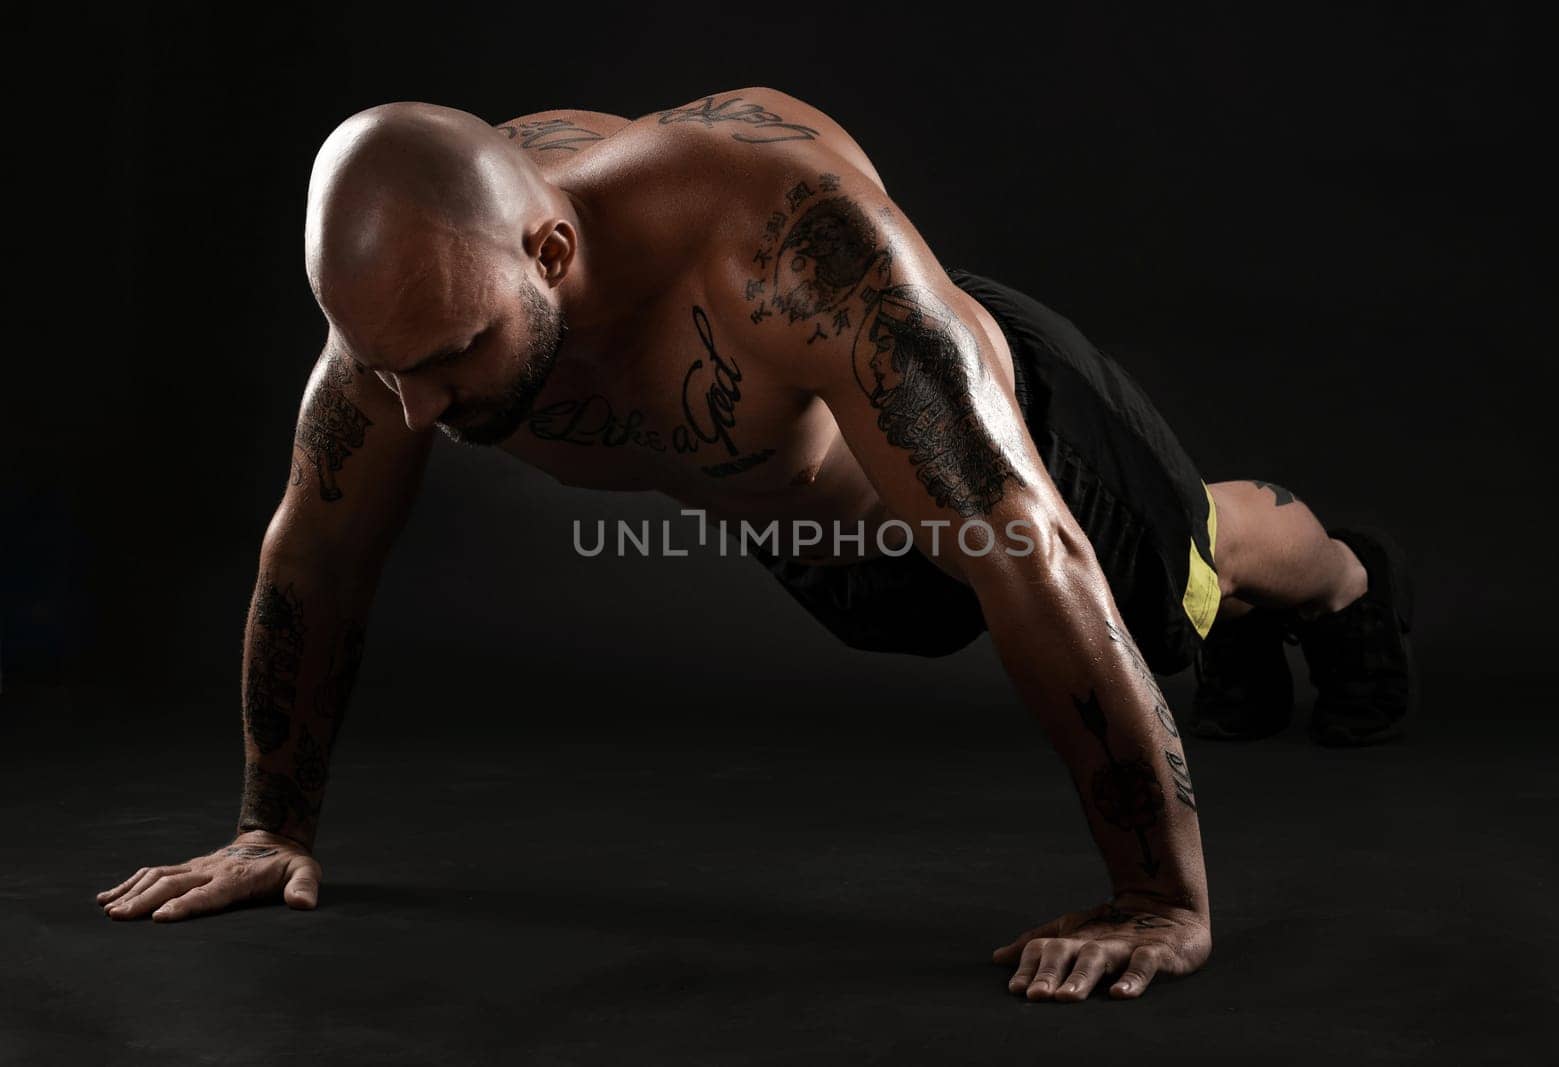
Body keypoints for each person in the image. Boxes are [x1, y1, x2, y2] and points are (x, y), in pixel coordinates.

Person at [94, 88, 1415, 1003]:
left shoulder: (779, 251)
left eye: (450, 365)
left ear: (550, 250)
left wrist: (1156, 901)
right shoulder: (413, 302)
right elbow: (315, 559)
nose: (416, 414)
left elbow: (1029, 551)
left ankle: (1343, 582)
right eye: (388, 374)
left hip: (1018, 459)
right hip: (835, 545)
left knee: (1192, 572)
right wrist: (273, 826)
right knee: (991, 594)